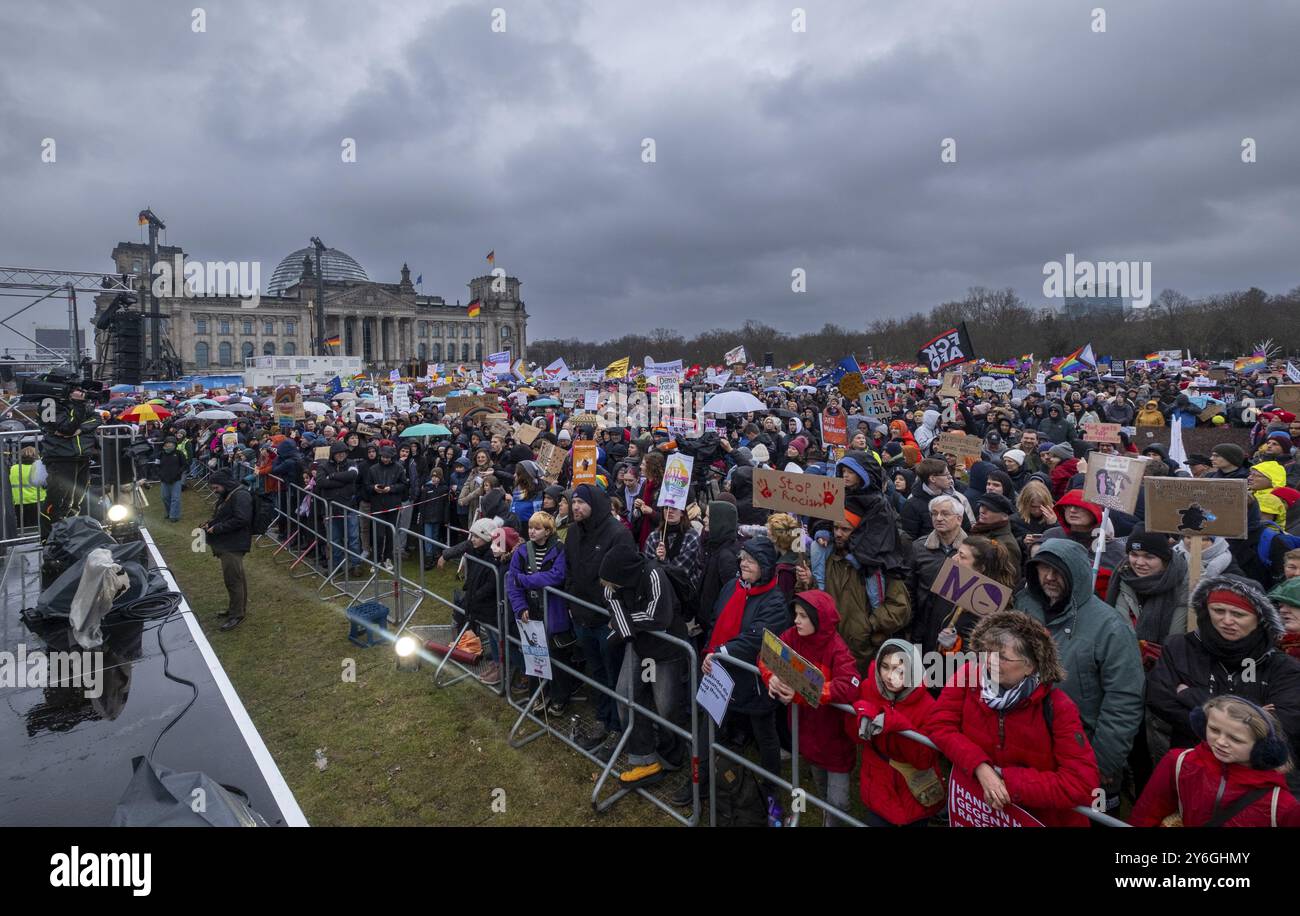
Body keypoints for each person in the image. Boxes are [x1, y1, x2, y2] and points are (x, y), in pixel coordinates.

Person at [928, 610, 1101, 827]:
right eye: (987, 651)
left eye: (1001, 656)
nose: (989, 661)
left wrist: (1008, 784)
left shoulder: (1058, 707)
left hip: (1041, 820)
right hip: (983, 814)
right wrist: (980, 767)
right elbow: (939, 725)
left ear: (1031, 666)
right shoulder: (968, 675)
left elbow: (1081, 783)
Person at [1017, 539, 1144, 810]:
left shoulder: (1110, 627)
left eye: (1058, 570)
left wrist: (1103, 762)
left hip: (1082, 750)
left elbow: (1123, 701)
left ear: (1077, 573)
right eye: (1042, 568)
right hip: (1029, 743)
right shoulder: (1025, 607)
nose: (1049, 577)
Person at [1146, 574, 1300, 777]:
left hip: (1255, 776)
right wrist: (1251, 716)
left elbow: (1283, 722)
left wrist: (1190, 695)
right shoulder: (1180, 647)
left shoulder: (1282, 665)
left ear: (1259, 617)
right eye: (1218, 611)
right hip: (1192, 766)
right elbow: (1159, 699)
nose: (1226, 621)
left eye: (1238, 614)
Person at [694, 537, 792, 803]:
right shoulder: (732, 587)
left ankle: (771, 789)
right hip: (721, 676)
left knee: (765, 735)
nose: (743, 563)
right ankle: (698, 783)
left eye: (751, 560)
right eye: (743, 558)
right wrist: (709, 651)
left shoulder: (774, 601)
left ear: (766, 566)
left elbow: (755, 637)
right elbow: (715, 620)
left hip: (754, 681)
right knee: (708, 728)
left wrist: (720, 653)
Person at [758, 590, 858, 825]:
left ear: (818, 618)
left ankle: (833, 819)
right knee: (820, 786)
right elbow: (766, 654)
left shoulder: (837, 649)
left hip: (835, 738)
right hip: (805, 733)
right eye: (796, 614)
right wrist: (770, 675)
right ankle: (826, 815)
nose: (796, 620)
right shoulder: (793, 636)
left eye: (803, 616)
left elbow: (849, 686)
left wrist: (803, 692)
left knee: (839, 801)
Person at [600, 540, 691, 788]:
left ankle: (672, 757)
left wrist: (622, 624)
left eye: (613, 581)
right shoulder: (612, 581)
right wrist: (625, 625)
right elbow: (611, 601)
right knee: (626, 695)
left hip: (667, 651)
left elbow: (658, 616)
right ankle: (645, 758)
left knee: (666, 707)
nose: (609, 586)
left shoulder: (654, 574)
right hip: (639, 646)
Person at [1130, 697, 1300, 827]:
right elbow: (1146, 814)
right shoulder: (1179, 762)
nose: (1220, 742)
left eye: (1235, 739)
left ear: (1263, 748)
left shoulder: (1280, 803)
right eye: (1214, 730)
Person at [564, 483, 636, 756]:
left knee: (614, 674)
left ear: (595, 503)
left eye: (581, 502)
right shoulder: (572, 532)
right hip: (582, 616)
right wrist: (572, 602)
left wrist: (616, 616)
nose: (576, 507)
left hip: (608, 621)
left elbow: (625, 578)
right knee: (596, 673)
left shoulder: (618, 534)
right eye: (574, 502)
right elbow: (569, 570)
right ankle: (604, 719)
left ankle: (620, 728)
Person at [850, 639, 944, 827]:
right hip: (877, 786)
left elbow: (924, 760)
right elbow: (854, 737)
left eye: (900, 669)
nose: (890, 676)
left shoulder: (929, 707)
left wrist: (898, 724)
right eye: (885, 667)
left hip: (913, 793)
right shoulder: (868, 688)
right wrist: (859, 713)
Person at [506, 511, 574, 708]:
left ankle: (559, 698)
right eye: (530, 528)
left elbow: (556, 576)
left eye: (537, 528)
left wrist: (526, 580)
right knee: (535, 655)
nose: (532, 532)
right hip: (531, 610)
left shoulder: (559, 549)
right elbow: (513, 582)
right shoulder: (522, 551)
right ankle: (538, 695)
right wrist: (520, 606)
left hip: (554, 611)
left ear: (548, 531)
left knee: (557, 656)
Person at [906, 494, 967, 656]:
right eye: (934, 513)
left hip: (955, 632)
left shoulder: (973, 550)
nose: (938, 518)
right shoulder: (919, 548)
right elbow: (909, 589)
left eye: (945, 514)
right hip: (922, 626)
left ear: (959, 519)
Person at [203, 469, 254, 632]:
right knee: (237, 577)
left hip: (234, 544)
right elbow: (225, 515)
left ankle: (236, 615)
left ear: (224, 484)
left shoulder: (241, 495)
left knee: (233, 580)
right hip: (229, 542)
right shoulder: (229, 494)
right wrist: (211, 524)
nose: (215, 490)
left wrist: (218, 528)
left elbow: (242, 519)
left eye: (216, 487)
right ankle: (235, 609)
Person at [157, 437, 185, 523]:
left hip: (176, 480)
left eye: (171, 444)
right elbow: (156, 465)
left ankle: (174, 516)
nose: (169, 445)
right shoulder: (161, 454)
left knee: (175, 498)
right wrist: (160, 474)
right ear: (164, 444)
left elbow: (184, 465)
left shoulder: (179, 454)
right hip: (164, 480)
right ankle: (169, 512)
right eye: (167, 443)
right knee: (164, 497)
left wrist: (178, 473)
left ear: (175, 445)